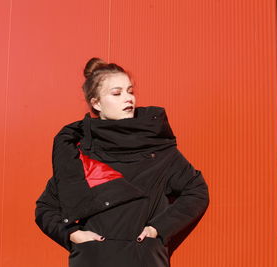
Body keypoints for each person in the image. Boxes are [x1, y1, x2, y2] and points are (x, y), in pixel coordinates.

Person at [35, 57, 210, 267]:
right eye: (117, 93)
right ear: (96, 103)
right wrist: (72, 235)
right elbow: (46, 207)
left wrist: (158, 229)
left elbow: (196, 190)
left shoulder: (159, 150)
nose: (128, 99)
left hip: (144, 259)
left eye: (130, 91)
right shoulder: (81, 155)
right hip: (93, 259)